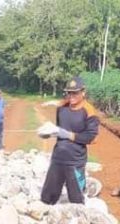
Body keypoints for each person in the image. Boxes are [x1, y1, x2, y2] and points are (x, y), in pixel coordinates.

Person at [36, 76, 100, 205]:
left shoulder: (89, 111)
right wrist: (50, 134)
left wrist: (67, 134)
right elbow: (60, 129)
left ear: (83, 92)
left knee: (76, 199)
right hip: (58, 158)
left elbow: (90, 137)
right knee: (47, 197)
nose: (71, 96)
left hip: (75, 160)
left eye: (75, 93)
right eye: (69, 93)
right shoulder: (62, 108)